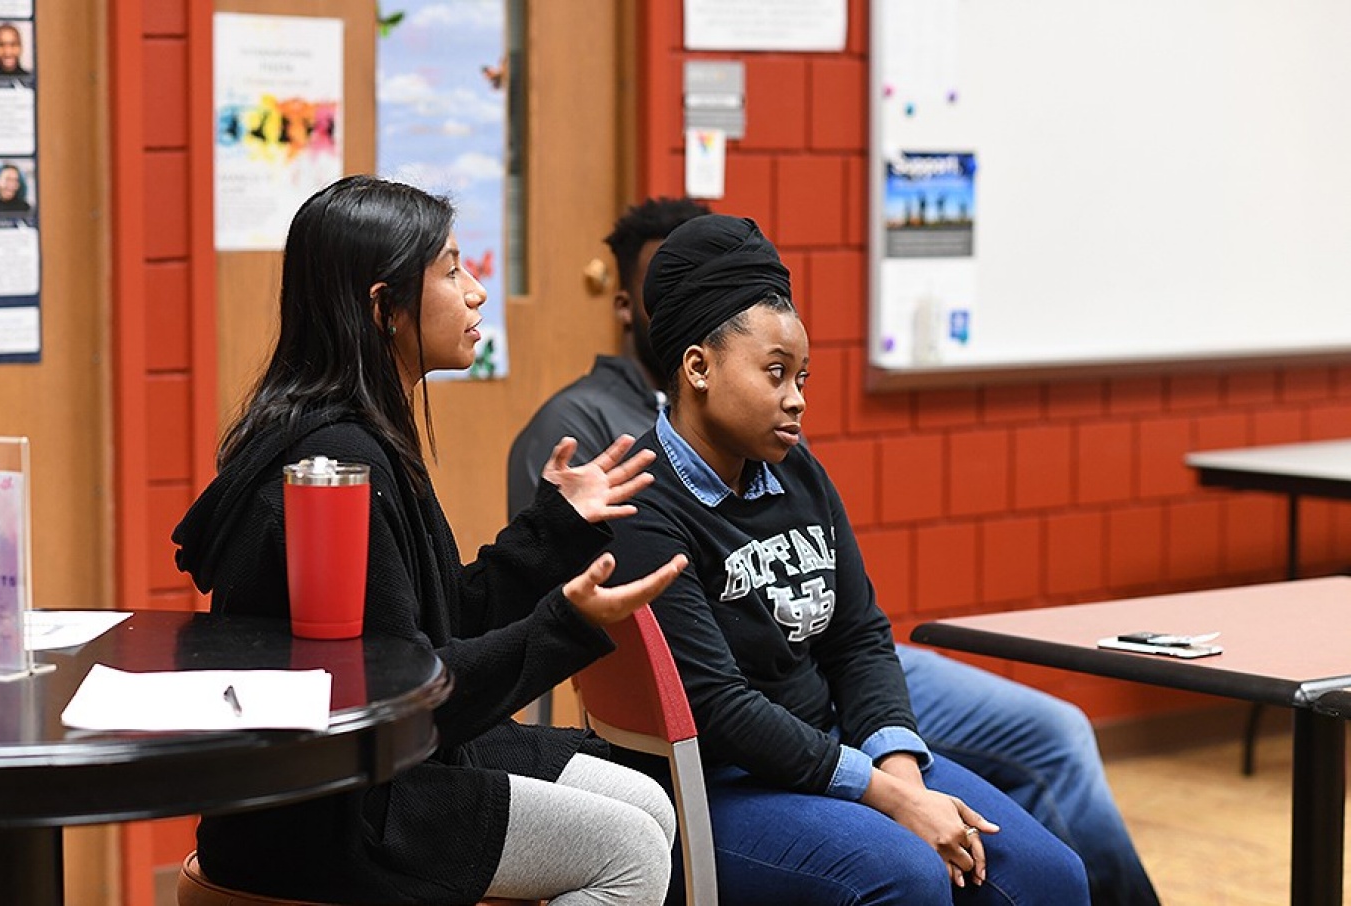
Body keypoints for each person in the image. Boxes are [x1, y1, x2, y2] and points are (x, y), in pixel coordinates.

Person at [508, 198, 1160, 906]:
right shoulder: (639, 499)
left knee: (1049, 875)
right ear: (698, 368)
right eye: (775, 372)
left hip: (835, 755)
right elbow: (719, 708)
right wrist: (881, 793)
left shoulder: (797, 470)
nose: (797, 400)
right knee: (908, 879)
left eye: (803, 378)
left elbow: (859, 636)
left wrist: (901, 768)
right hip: (718, 786)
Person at [172, 175, 689, 906]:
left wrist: (556, 527)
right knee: (629, 851)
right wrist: (563, 628)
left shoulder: (364, 438)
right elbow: (404, 699)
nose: (476, 291)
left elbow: (432, 624)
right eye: (451, 270)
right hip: (338, 814)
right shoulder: (332, 470)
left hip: (387, 767)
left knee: (651, 803)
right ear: (385, 309)